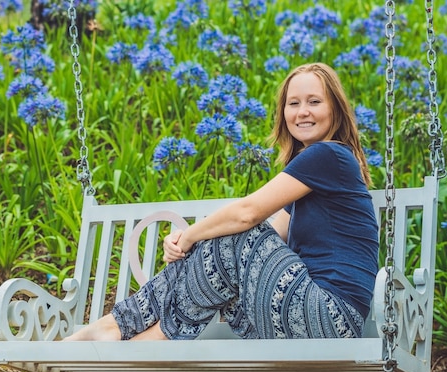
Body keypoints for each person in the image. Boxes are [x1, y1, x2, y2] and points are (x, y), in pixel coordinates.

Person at [64, 62, 379, 342]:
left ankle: (135, 332)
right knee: (225, 239)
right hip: (302, 313)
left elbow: (248, 215)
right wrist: (198, 244)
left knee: (236, 232)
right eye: (293, 103)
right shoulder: (312, 171)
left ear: (335, 109)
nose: (302, 111)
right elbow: (271, 233)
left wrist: (188, 236)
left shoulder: (328, 155)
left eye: (314, 102)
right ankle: (119, 328)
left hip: (330, 317)